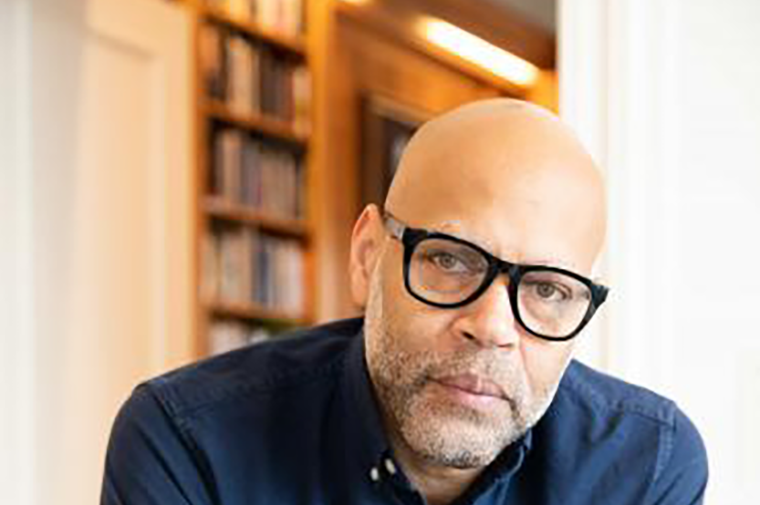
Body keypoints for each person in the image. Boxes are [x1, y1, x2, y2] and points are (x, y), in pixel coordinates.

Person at [101, 99, 708, 505]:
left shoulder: (645, 467)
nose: (493, 326)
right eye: (450, 259)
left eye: (547, 289)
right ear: (368, 257)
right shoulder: (189, 442)